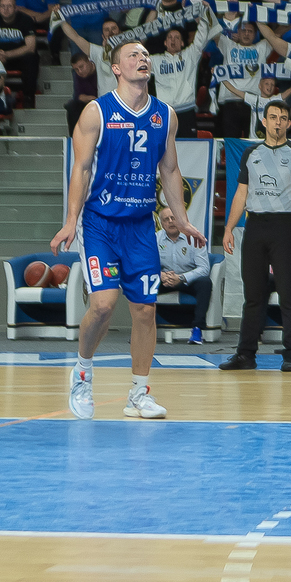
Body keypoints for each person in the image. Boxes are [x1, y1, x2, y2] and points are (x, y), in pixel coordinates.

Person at [51, 39, 204, 421]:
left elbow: (170, 170)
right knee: (103, 305)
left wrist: (182, 218)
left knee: (145, 311)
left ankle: (139, 393)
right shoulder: (96, 112)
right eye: (133, 55)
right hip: (100, 223)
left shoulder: (165, 115)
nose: (142, 59)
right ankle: (82, 371)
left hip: (140, 226)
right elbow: (80, 169)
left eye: (145, 55)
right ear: (116, 68)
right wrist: (70, 220)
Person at [218, 100, 291, 373]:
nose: (277, 122)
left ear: (289, 123)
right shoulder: (251, 153)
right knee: (253, 294)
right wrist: (228, 228)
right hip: (255, 226)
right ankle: (245, 354)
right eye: (273, 117)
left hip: (284, 226)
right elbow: (241, 193)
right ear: (264, 121)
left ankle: (290, 353)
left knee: (287, 291)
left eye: (282, 118)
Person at [156, 208, 212, 344]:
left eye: (173, 218)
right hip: (164, 280)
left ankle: (197, 330)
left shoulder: (194, 237)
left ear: (181, 220)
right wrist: (161, 275)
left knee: (205, 283)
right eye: (166, 219)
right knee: (142, 282)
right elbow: (147, 265)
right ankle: (142, 330)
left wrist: (181, 278)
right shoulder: (155, 239)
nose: (170, 222)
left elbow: (204, 268)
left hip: (187, 280)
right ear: (162, 223)